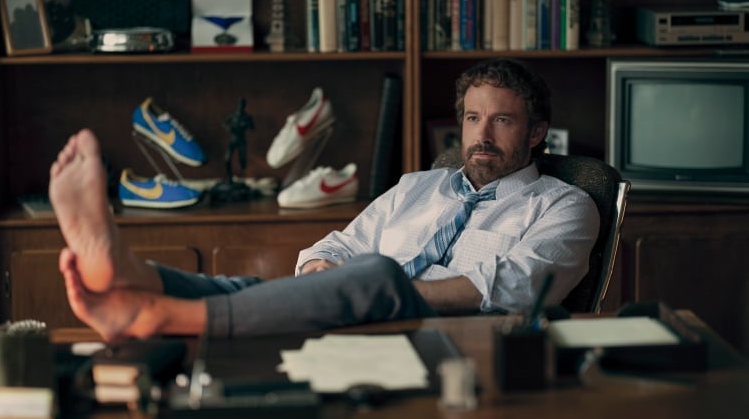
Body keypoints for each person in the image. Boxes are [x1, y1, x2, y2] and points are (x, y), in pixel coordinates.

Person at [48, 58, 599, 342]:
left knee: (377, 274)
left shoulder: (565, 205)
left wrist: (385, 288)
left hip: (459, 339)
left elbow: (525, 287)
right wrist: (322, 274)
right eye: (473, 118)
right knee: (254, 289)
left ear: (534, 133)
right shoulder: (418, 186)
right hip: (360, 317)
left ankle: (161, 313)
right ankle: (134, 273)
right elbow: (338, 242)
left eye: (501, 120)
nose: (481, 134)